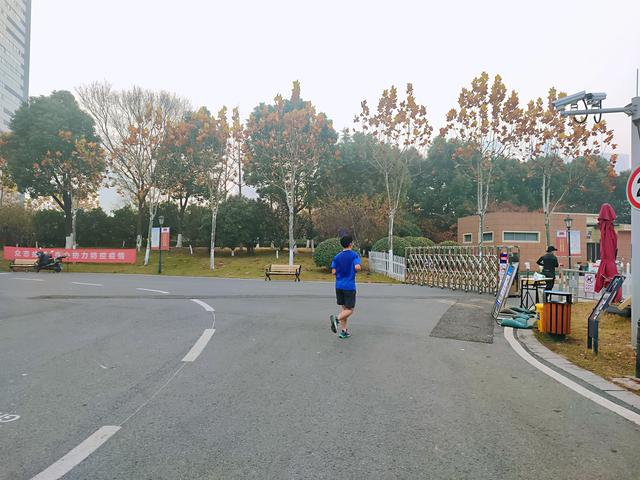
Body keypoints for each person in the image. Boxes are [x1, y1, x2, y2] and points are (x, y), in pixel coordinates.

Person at [330, 235, 361, 339]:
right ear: (351, 244)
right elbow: (357, 267)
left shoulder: (337, 257)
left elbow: (333, 272)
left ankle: (344, 331)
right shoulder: (354, 255)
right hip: (349, 286)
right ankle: (336, 319)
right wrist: (355, 269)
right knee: (350, 310)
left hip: (339, 285)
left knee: (344, 309)